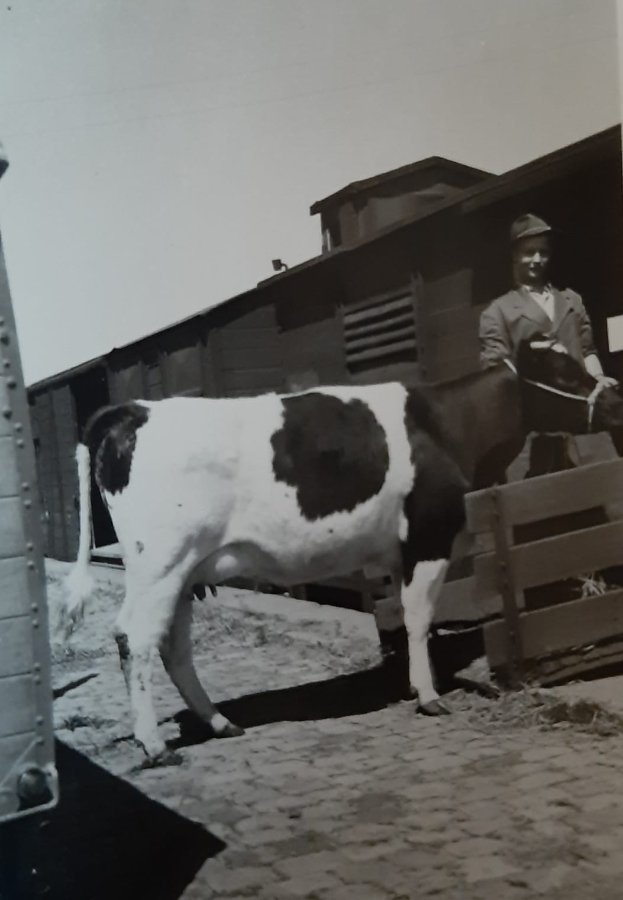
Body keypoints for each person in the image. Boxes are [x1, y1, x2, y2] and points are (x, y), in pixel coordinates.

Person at [479, 213, 616, 477]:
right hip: (532, 443)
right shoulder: (497, 313)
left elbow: (587, 351)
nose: (537, 259)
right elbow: (496, 377)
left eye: (543, 252)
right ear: (514, 255)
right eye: (528, 252)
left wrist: (598, 379)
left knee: (606, 493)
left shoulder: (571, 301)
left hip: (586, 434)